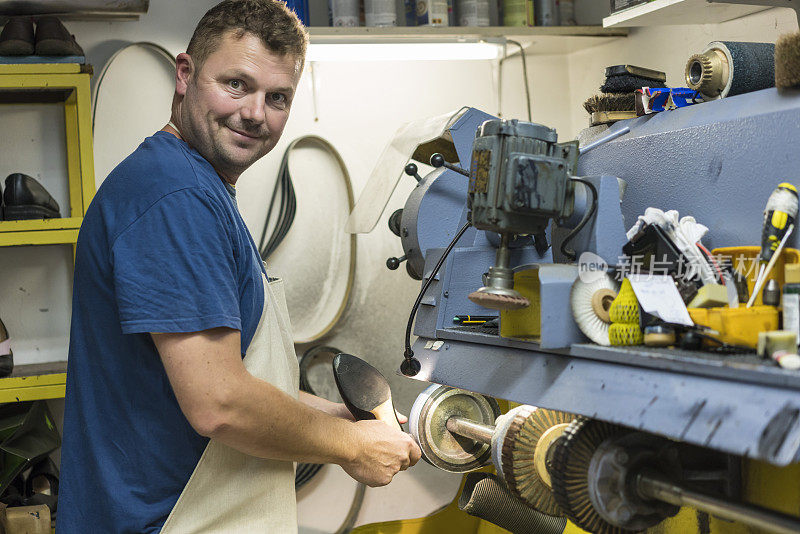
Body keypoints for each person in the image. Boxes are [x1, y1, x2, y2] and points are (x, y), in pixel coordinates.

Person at [58, 1, 421, 532]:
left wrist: (343, 421)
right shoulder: (174, 195)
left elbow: (239, 377)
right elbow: (219, 402)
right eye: (236, 84)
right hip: (166, 521)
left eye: (277, 97)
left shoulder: (198, 188)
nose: (255, 113)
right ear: (185, 75)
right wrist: (351, 447)